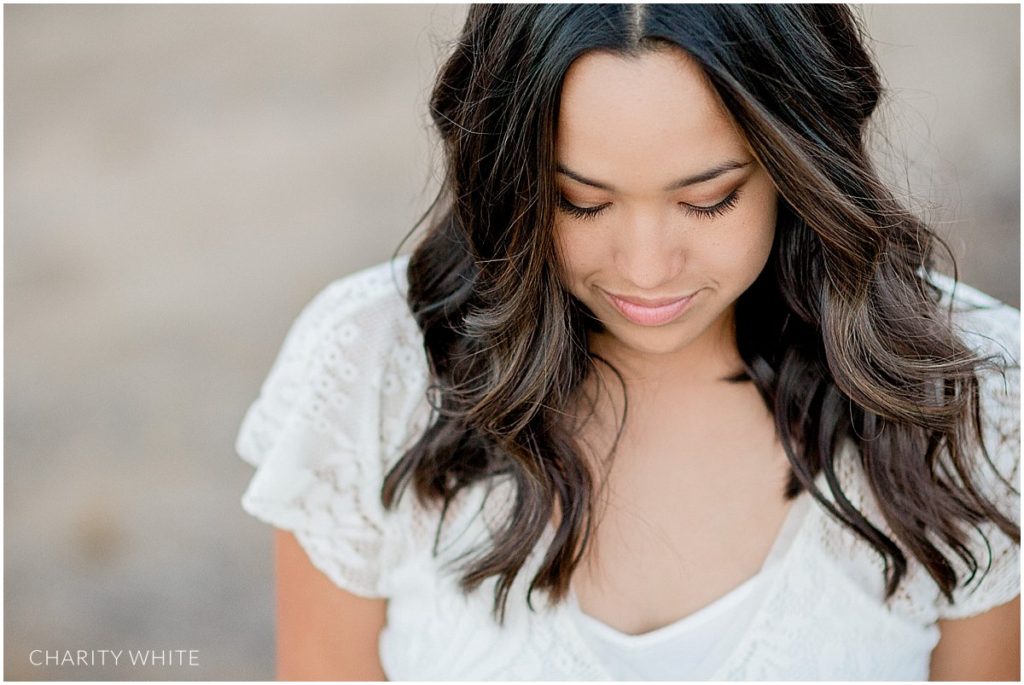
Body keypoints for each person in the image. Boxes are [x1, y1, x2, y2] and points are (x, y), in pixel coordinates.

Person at [236, 5, 1020, 680]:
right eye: (580, 201)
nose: (645, 269)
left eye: (708, 201)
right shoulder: (376, 365)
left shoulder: (974, 392)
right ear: (510, 177)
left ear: (798, 163)